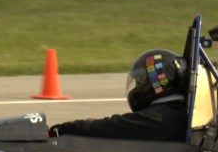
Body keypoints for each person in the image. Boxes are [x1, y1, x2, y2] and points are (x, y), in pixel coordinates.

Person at [50, 49, 189, 141]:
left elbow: (112, 127)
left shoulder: (161, 118)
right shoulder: (179, 113)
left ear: (158, 81)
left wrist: (66, 129)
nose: (139, 85)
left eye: (141, 80)